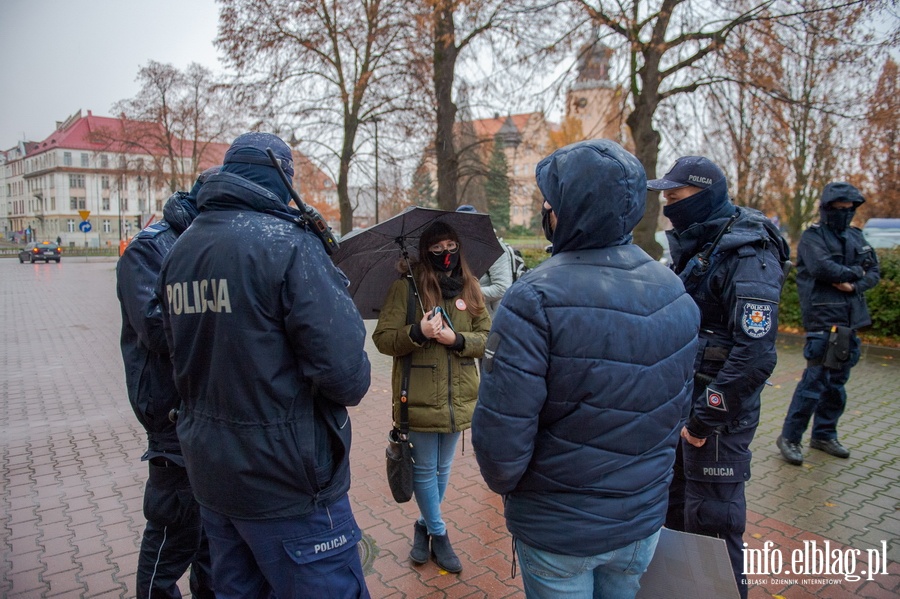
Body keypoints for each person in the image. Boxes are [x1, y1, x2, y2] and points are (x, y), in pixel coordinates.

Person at [472, 139, 700, 599]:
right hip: (640, 522)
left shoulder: (532, 299)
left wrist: (520, 492)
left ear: (570, 210)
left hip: (560, 531)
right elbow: (677, 410)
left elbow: (501, 441)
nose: (546, 212)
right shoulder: (675, 290)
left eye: (550, 203)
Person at [158, 132, 372, 598]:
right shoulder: (287, 244)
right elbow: (348, 377)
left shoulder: (180, 250)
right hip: (288, 484)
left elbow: (179, 358)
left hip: (214, 478)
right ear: (282, 179)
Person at [648, 156, 790, 599]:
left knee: (711, 526)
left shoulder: (749, 253)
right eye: (665, 198)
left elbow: (755, 355)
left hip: (715, 422)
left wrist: (701, 421)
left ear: (705, 195)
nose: (668, 205)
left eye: (676, 197)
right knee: (674, 520)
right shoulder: (703, 243)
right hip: (682, 409)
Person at [118, 168, 219, 599]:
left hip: (208, 410)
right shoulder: (148, 250)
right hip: (171, 417)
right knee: (171, 536)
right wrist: (227, 320)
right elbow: (157, 329)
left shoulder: (208, 244)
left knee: (211, 542)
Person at [372, 220, 491, 573]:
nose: (445, 255)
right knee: (424, 470)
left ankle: (422, 526)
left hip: (460, 397)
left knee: (442, 469)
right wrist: (418, 332)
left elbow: (486, 336)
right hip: (419, 396)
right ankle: (439, 533)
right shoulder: (405, 289)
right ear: (425, 252)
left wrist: (457, 340)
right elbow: (383, 339)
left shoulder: (470, 287)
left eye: (451, 247)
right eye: (437, 249)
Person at [777, 183, 880, 465]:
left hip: (851, 322)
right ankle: (790, 437)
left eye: (849, 209)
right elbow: (823, 268)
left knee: (836, 385)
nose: (844, 214)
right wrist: (858, 273)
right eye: (839, 209)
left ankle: (824, 434)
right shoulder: (813, 238)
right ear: (826, 209)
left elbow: (874, 271)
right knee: (814, 383)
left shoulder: (857, 237)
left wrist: (853, 280)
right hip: (824, 322)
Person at [455, 204, 513, 315]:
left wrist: (467, 292)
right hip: (461, 314)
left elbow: (502, 288)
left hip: (486, 316)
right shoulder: (454, 248)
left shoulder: (493, 248)